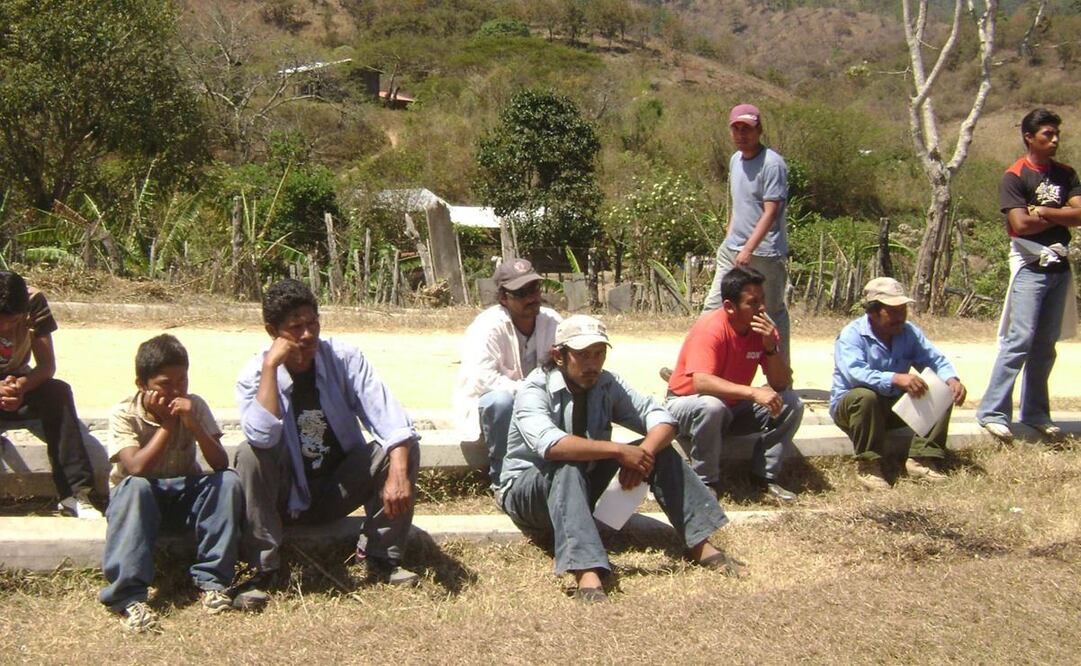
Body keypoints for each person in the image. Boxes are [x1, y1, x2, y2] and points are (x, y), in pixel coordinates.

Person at [498, 315, 742, 604]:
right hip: (529, 493)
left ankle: (699, 542)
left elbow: (663, 418)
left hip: (583, 484)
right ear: (558, 356)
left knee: (658, 449)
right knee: (566, 462)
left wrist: (643, 455)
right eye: (582, 355)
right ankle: (586, 570)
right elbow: (553, 446)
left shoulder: (606, 384)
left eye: (599, 354)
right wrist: (619, 452)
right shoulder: (534, 389)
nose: (592, 364)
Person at [233, 279, 421, 603]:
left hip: (337, 487)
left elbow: (391, 418)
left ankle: (381, 556)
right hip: (286, 494)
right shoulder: (254, 374)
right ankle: (265, 569)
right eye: (295, 328)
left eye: (312, 323)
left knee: (401, 447)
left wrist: (398, 472)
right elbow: (262, 437)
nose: (307, 335)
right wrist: (270, 367)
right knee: (249, 454)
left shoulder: (343, 358)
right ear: (271, 331)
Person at [99, 334, 244, 633]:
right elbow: (136, 468)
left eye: (183, 381)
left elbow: (219, 463)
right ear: (142, 385)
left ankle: (213, 582)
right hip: (138, 502)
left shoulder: (195, 407)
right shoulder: (124, 414)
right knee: (136, 486)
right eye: (165, 384)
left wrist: (194, 425)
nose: (176, 390)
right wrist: (167, 424)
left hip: (181, 494)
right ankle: (128, 596)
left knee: (227, 481)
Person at [977, 108, 1081, 443]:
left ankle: (1036, 412)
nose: (1054, 140)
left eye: (1056, 134)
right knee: (1018, 340)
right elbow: (1019, 224)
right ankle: (993, 411)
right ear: (1029, 137)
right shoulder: (1015, 175)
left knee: (1045, 345)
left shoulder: (1066, 174)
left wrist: (1046, 211)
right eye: (1047, 134)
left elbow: (1079, 214)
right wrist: (1062, 214)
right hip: (1028, 267)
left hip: (1059, 267)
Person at [666, 266, 803, 503]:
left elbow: (781, 383)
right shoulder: (711, 328)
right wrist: (752, 392)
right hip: (686, 405)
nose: (762, 308)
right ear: (730, 307)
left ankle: (764, 478)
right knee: (711, 406)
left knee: (792, 403)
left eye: (763, 300)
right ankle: (705, 482)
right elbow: (701, 382)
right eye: (753, 302)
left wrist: (770, 347)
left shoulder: (764, 329)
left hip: (732, 406)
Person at [830, 278, 967, 490]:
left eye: (903, 310)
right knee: (866, 396)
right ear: (873, 312)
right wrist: (895, 378)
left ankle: (921, 458)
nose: (900, 317)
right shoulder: (852, 335)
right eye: (892, 311)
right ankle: (868, 464)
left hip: (892, 407)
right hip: (855, 409)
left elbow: (934, 359)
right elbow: (854, 374)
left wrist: (952, 379)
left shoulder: (908, 332)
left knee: (942, 388)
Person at [452, 258, 561, 487]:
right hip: (502, 406)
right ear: (503, 298)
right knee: (500, 401)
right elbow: (483, 378)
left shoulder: (553, 321)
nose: (531, 297)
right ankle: (503, 479)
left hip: (541, 401)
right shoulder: (486, 326)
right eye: (521, 293)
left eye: (534, 289)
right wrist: (530, 392)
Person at [0, 271, 99, 518]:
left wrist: (21, 386)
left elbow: (46, 366)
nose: (5, 327)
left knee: (58, 392)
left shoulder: (34, 302)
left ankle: (75, 493)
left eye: (12, 321)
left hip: (18, 383)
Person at [702, 103, 792, 365]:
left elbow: (771, 211)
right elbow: (737, 202)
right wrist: (729, 237)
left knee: (771, 311)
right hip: (732, 249)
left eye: (747, 129)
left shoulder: (773, 164)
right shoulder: (735, 160)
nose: (742, 134)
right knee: (713, 306)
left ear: (759, 130)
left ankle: (781, 372)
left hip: (764, 253)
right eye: (736, 128)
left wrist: (748, 248)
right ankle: (697, 365)